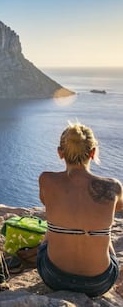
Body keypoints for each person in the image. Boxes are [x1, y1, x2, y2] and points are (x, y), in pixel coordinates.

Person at [37, 122, 123, 297]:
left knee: (51, 229)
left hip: (54, 277)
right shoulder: (113, 186)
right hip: (99, 282)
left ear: (60, 152)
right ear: (93, 153)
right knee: (102, 232)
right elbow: (118, 208)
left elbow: (46, 203)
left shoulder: (46, 180)